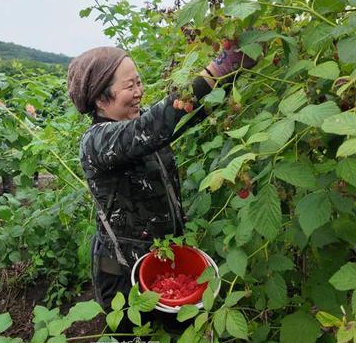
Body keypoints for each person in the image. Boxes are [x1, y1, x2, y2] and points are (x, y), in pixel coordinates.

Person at [67, 42, 257, 311]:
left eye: (139, 82)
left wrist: (230, 74)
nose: (139, 92)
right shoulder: (97, 141)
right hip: (123, 272)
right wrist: (217, 68)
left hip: (163, 258)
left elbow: (187, 113)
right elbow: (156, 125)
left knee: (169, 339)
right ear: (100, 99)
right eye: (129, 86)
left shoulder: (138, 122)